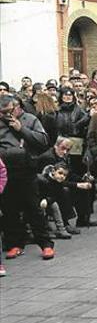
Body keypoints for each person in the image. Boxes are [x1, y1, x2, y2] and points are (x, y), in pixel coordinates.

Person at [0, 95, 55, 260]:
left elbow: (44, 140)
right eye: (2, 113)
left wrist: (21, 129)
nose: (4, 115)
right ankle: (15, 244)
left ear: (17, 107)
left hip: (26, 170)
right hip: (5, 171)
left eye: (8, 112)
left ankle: (45, 244)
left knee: (33, 208)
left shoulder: (30, 119)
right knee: (10, 210)